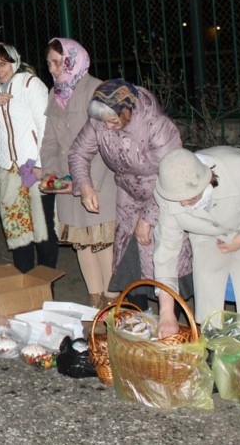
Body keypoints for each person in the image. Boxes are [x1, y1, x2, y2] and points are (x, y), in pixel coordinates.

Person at [69, 78, 188, 310]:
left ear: (127, 110)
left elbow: (173, 173)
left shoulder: (156, 125)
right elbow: (78, 152)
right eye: (104, 121)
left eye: (113, 120)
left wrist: (149, 218)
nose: (108, 126)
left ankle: (172, 319)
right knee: (129, 261)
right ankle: (140, 319)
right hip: (128, 195)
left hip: (162, 195)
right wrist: (84, 185)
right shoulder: (100, 121)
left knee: (166, 258)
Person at [154, 147, 240, 338]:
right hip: (206, 234)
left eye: (190, 198)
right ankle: (216, 343)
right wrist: (166, 312)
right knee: (208, 284)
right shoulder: (167, 194)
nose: (184, 205)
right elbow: (166, 254)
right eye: (178, 200)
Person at [41, 38, 117, 307]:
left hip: (97, 181)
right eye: (50, 62)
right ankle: (94, 301)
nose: (53, 68)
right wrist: (50, 173)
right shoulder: (55, 94)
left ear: (74, 60)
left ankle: (112, 304)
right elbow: (49, 142)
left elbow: (106, 144)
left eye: (58, 62)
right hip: (66, 183)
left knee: (102, 243)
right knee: (81, 244)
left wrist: (84, 184)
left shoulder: (96, 90)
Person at [0, 42, 57, 271]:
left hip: (32, 167)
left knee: (42, 229)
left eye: (3, 63)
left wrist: (40, 166)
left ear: (14, 61)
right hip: (8, 170)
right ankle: (25, 285)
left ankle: (46, 285)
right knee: (18, 231)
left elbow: (45, 128)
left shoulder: (30, 84)